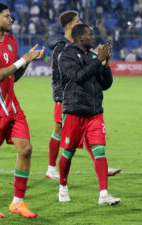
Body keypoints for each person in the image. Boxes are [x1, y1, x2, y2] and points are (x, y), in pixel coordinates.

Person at [0, 2, 44, 219]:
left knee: (26, 149)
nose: (11, 19)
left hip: (12, 107)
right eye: (6, 16)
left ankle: (17, 202)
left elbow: (12, 78)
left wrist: (27, 63)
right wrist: (22, 59)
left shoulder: (12, 41)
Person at [46, 11, 121, 179]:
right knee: (59, 129)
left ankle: (101, 164)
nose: (81, 23)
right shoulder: (62, 46)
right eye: (77, 21)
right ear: (70, 26)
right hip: (65, 95)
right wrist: (60, 95)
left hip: (80, 95)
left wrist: (93, 55)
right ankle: (51, 169)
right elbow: (62, 72)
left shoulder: (76, 45)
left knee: (87, 128)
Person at [57, 24, 121, 205]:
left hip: (94, 113)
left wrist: (105, 64)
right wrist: (97, 60)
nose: (93, 37)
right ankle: (62, 187)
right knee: (68, 153)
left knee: (99, 150)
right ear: (79, 38)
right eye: (90, 34)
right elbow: (78, 76)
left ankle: (104, 194)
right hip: (74, 111)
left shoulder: (93, 56)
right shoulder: (67, 55)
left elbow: (106, 84)